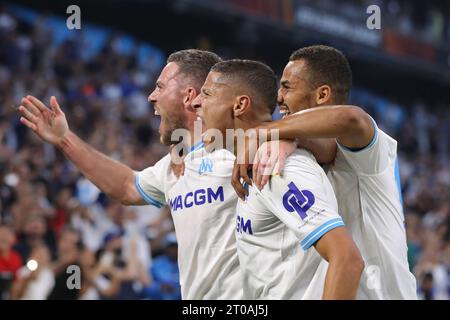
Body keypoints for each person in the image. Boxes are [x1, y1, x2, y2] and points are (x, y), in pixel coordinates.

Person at [17, 49, 243, 299]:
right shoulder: (174, 166)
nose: (151, 96)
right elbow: (126, 186)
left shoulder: (244, 152)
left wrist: (281, 140)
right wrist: (64, 139)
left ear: (189, 96)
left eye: (160, 87)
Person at [232, 45, 418, 299]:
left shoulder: (373, 154)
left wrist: (266, 131)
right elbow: (327, 146)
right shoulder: (315, 149)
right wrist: (288, 136)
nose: (279, 96)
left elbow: (353, 119)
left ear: (322, 95)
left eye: (287, 87)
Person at [192, 59, 364, 299]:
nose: (195, 103)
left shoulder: (277, 167)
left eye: (206, 94)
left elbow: (347, 259)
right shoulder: (257, 163)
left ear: (240, 104)